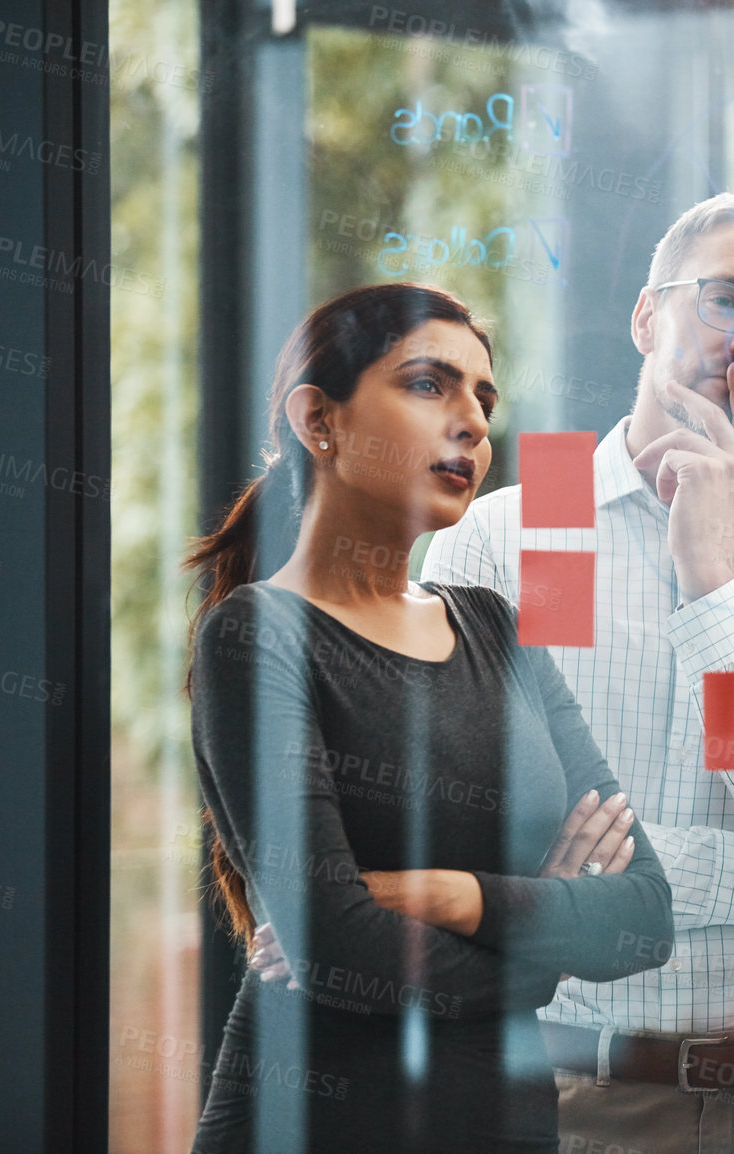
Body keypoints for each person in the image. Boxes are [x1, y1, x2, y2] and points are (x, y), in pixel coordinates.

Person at [420, 184, 734, 1153]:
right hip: (568, 1101)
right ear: (646, 314)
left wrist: (712, 574)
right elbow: (483, 843)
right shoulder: (510, 534)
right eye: (726, 295)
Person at [188, 282, 674, 1152]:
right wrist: (552, 934)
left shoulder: (495, 623)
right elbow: (340, 947)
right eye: (428, 385)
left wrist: (445, 895)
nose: (474, 423)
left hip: (504, 1121)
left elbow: (643, 915)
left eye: (484, 399)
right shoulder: (256, 637)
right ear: (318, 419)